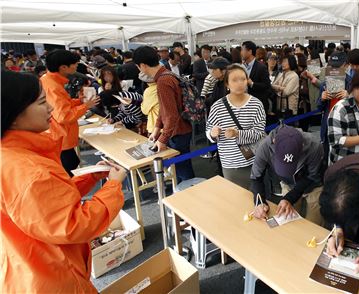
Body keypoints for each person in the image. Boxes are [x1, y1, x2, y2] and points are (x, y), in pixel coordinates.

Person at [1, 70, 127, 292]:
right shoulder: (31, 171)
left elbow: (47, 205)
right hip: (53, 274)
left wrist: (89, 178)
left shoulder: (11, 156)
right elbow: (74, 225)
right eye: (42, 102)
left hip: (25, 266)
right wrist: (113, 186)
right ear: (13, 113)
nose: (50, 108)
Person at [134, 46, 195, 182]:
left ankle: (189, 198)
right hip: (180, 129)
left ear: (143, 65)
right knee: (181, 168)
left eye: (138, 67)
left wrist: (163, 138)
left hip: (177, 132)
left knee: (183, 171)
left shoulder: (163, 80)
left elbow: (171, 115)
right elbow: (164, 108)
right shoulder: (166, 75)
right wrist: (157, 129)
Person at [40, 49, 100, 175]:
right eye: (75, 64)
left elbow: (62, 105)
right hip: (59, 136)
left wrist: (79, 101)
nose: (76, 66)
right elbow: (63, 116)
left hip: (57, 134)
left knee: (71, 162)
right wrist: (86, 106)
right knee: (69, 166)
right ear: (63, 67)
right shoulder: (54, 87)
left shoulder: (48, 80)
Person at [206, 64, 266, 188]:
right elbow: (209, 130)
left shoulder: (256, 104)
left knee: (257, 198)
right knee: (235, 201)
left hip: (254, 160)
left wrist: (237, 133)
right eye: (234, 80)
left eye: (243, 79)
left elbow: (259, 133)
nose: (239, 83)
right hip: (230, 163)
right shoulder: (218, 107)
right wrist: (212, 133)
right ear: (227, 84)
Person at [250, 125, 324, 225]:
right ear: (274, 142)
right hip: (288, 184)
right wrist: (259, 203)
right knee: (287, 221)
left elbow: (313, 176)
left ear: (302, 146)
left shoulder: (315, 146)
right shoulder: (264, 147)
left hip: (313, 185)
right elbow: (256, 177)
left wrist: (289, 198)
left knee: (314, 223)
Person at [241, 41, 273, 113]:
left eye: (243, 50)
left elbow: (266, 85)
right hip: (244, 103)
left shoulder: (261, 67)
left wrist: (252, 83)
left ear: (250, 51)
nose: (241, 52)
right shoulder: (242, 67)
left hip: (257, 105)